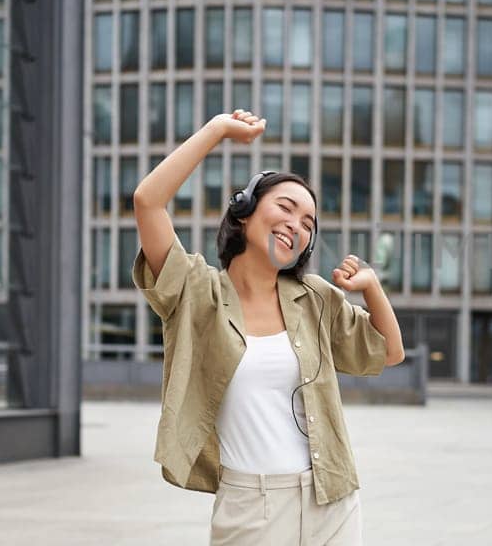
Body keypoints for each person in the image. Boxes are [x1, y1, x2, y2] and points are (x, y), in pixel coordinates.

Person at [132, 109, 405, 545]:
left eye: (308, 224)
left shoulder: (314, 298)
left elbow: (390, 351)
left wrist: (371, 288)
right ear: (243, 211)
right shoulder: (194, 290)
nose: (296, 225)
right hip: (249, 506)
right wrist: (218, 129)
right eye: (286, 208)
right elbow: (147, 200)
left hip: (331, 496)